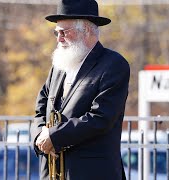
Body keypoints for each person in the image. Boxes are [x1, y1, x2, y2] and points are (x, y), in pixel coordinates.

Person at [31, 0, 130, 179]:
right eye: (56, 32)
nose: (59, 38)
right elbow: (41, 107)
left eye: (64, 32)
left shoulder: (114, 65)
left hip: (92, 173)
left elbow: (101, 118)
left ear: (87, 31)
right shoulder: (59, 65)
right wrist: (40, 136)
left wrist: (55, 137)